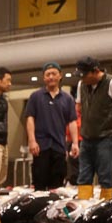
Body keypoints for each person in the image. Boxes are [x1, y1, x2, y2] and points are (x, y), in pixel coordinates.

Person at [75, 56, 112, 200]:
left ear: (95, 71)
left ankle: (106, 206)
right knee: (84, 175)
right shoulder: (82, 85)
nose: (83, 79)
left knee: (105, 175)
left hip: (105, 138)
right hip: (86, 138)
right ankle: (83, 206)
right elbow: (78, 106)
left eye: (85, 75)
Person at [25, 62, 79, 190]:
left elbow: (72, 122)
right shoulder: (36, 97)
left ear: (60, 76)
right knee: (39, 186)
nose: (51, 77)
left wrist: (75, 143)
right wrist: (32, 140)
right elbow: (30, 118)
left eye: (53, 74)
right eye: (47, 74)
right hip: (41, 147)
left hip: (59, 147)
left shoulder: (67, 99)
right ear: (44, 78)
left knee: (57, 187)